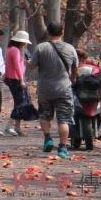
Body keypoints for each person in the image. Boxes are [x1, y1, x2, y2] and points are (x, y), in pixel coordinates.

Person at [28, 22, 78, 159]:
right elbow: (75, 67)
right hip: (64, 89)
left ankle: (48, 138)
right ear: (62, 32)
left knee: (44, 115)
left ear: (48, 33)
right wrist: (73, 79)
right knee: (63, 120)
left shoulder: (41, 48)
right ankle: (62, 148)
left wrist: (27, 61)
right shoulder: (70, 48)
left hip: (45, 89)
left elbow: (32, 66)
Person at [3, 30, 32, 136]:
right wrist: (21, 79)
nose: (25, 44)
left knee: (19, 103)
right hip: (16, 79)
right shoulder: (15, 50)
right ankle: (9, 126)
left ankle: (17, 127)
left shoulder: (10, 49)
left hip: (12, 78)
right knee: (20, 103)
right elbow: (17, 66)